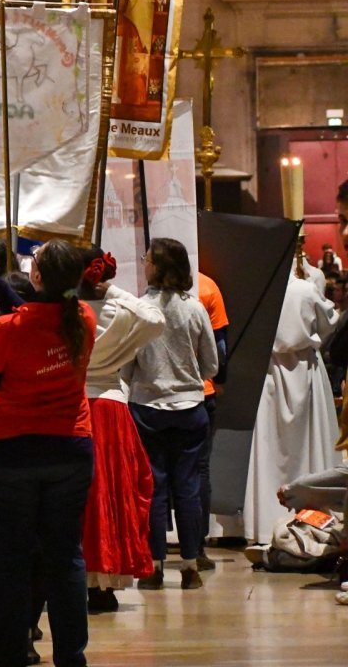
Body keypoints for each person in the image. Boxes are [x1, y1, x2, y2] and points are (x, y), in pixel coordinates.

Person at [0, 239, 97, 667]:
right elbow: (40, 312)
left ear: (36, 275)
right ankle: (71, 656)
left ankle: (8, 654)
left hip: (10, 453)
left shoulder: (6, 329)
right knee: (65, 556)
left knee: (11, 560)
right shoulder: (83, 319)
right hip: (69, 451)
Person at [125, 238, 219, 592]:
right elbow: (211, 363)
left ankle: (153, 566)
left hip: (147, 409)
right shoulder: (194, 309)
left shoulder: (138, 309)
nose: (144, 264)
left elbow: (128, 363)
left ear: (158, 267)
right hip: (190, 407)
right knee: (189, 488)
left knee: (154, 488)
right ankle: (191, 565)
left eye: (147, 259)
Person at [77, 246, 164, 611]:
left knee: (82, 497)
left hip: (76, 404)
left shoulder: (69, 312)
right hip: (112, 405)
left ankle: (82, 578)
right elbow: (155, 319)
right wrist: (111, 291)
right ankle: (106, 580)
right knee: (114, 493)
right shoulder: (117, 309)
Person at [242, 264, 340, 547]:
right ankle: (314, 517)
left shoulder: (260, 291)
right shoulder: (306, 289)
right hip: (304, 368)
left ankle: (264, 523)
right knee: (310, 443)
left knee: (270, 446)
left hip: (270, 370)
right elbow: (329, 322)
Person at [195, 272, 229, 571]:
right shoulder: (207, 285)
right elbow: (220, 346)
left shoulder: (145, 295)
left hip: (152, 399)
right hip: (200, 394)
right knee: (198, 471)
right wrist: (217, 379)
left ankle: (154, 557)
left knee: (157, 478)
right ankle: (198, 548)